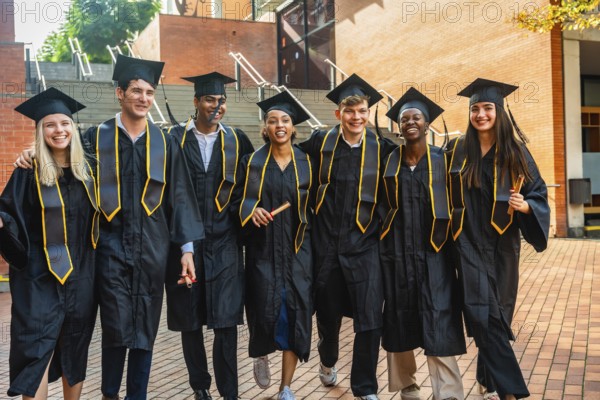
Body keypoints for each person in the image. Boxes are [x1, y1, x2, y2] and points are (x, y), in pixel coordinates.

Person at [16, 55, 206, 399]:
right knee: (115, 326)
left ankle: (136, 395)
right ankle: (109, 393)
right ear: (120, 93)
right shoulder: (92, 137)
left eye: (149, 92)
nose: (143, 98)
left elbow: (180, 197)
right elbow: (61, 161)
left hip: (153, 250)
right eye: (136, 90)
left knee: (146, 326)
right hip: (107, 249)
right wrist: (31, 154)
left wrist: (187, 250)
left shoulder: (165, 143)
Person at [449, 78, 551, 400]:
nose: (480, 114)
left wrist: (526, 206)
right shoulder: (457, 151)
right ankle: (512, 391)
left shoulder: (515, 152)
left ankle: (486, 378)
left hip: (504, 245)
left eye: (487, 108)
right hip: (467, 243)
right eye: (475, 109)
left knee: (499, 314)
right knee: (482, 313)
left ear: (500, 111)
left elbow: (539, 194)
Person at [297, 73, 396, 400]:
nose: (356, 117)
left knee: (370, 320)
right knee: (328, 317)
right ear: (338, 113)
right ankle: (327, 362)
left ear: (369, 114)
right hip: (326, 249)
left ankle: (365, 387)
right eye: (350, 111)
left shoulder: (381, 149)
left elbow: (404, 182)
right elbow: (289, 161)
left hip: (365, 248)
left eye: (362, 111)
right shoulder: (319, 143)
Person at [1, 88, 98, 399]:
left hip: (80, 275)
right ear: (40, 130)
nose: (59, 130)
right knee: (35, 348)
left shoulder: (88, 172)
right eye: (50, 125)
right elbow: (8, 212)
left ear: (74, 127)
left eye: (65, 123)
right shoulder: (27, 172)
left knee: (75, 345)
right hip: (37, 278)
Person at [165, 72, 254, 400]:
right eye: (209, 100)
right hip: (185, 243)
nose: (216, 106)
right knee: (190, 321)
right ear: (196, 102)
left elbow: (253, 181)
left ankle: (230, 392)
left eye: (220, 101)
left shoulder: (237, 139)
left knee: (226, 321)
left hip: (225, 243)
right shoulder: (174, 138)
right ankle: (200, 386)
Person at [379, 87, 466, 400]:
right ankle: (407, 384)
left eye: (416, 117)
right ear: (399, 127)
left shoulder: (443, 161)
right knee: (398, 318)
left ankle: (449, 392)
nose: (410, 122)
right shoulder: (389, 164)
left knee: (439, 317)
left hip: (435, 257)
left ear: (428, 124)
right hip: (398, 256)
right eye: (404, 119)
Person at [235, 91, 314, 400]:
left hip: (298, 251)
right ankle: (261, 351)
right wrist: (250, 211)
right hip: (263, 252)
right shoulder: (252, 163)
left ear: (293, 128)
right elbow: (235, 204)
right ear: (264, 128)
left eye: (285, 120)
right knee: (265, 312)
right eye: (272, 120)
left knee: (296, 314)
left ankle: (286, 387)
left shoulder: (306, 162)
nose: (279, 125)